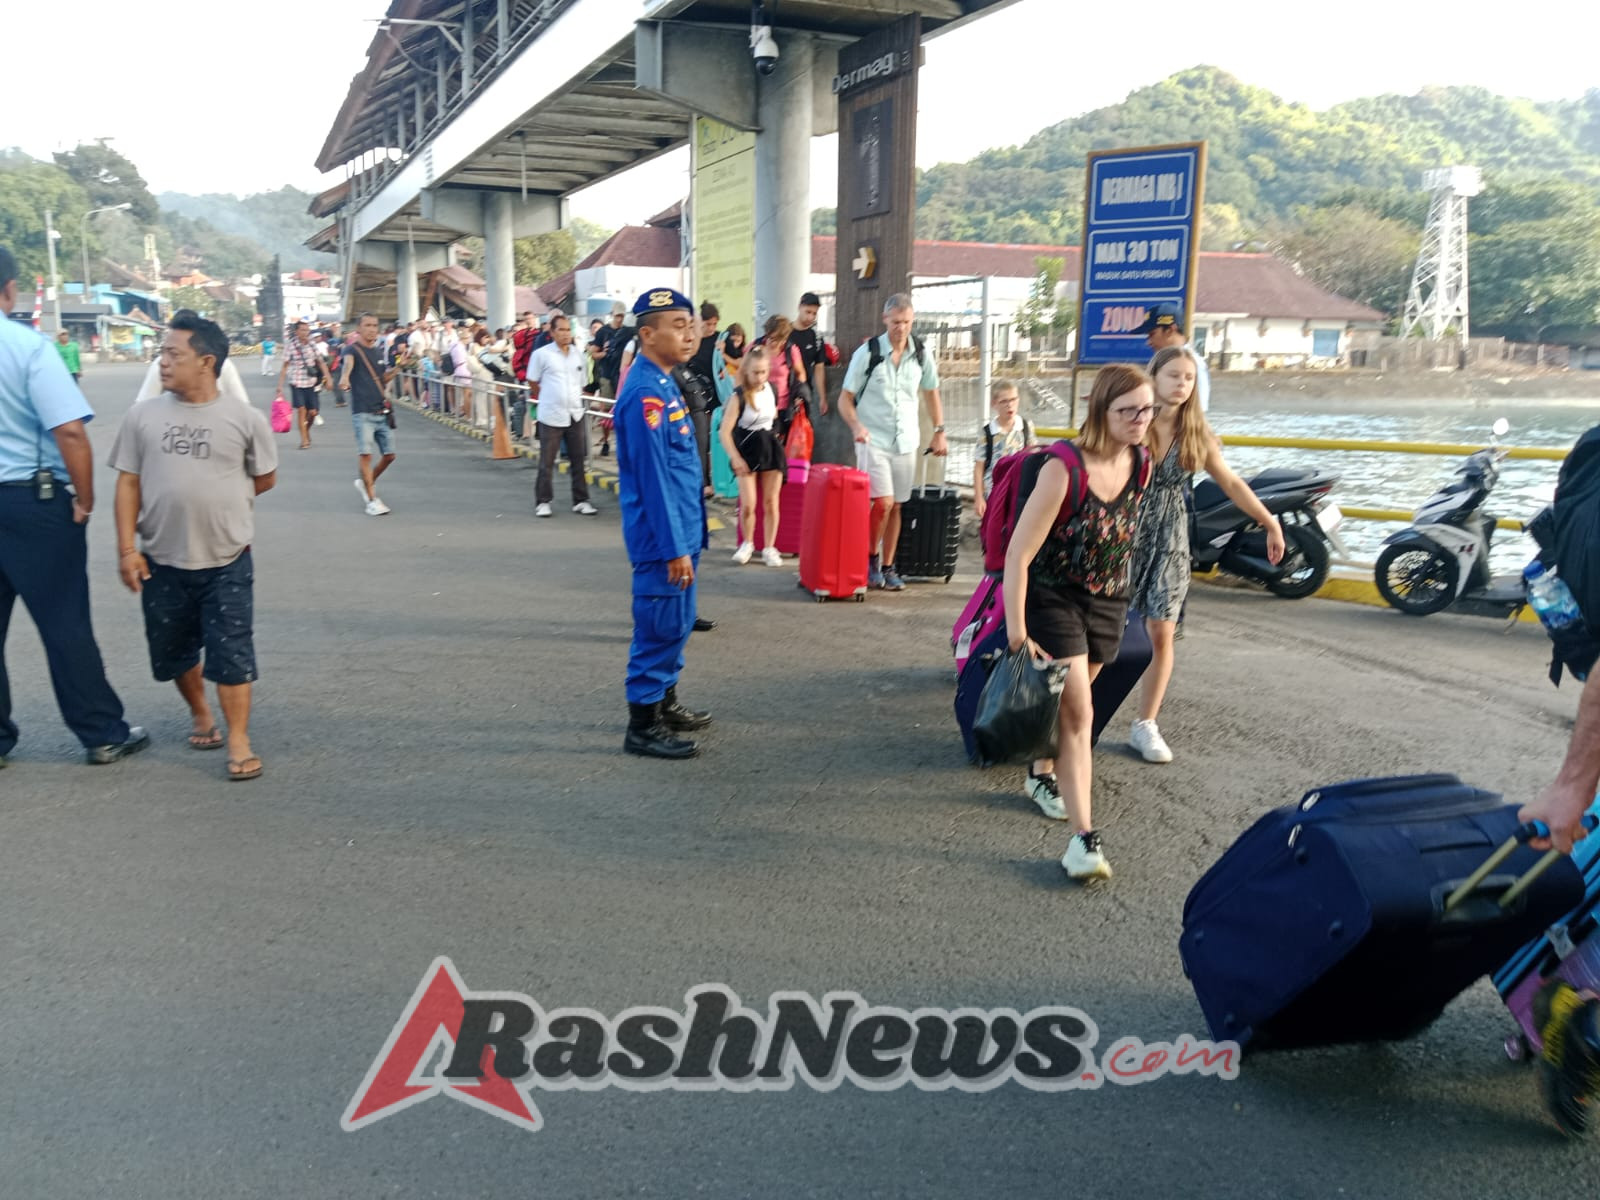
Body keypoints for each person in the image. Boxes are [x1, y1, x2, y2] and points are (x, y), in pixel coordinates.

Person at [1001, 364, 1157, 881]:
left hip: (1110, 601)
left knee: (1069, 705)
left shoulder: (1142, 463)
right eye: (1127, 410)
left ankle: (1039, 770)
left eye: (1147, 409)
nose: (1140, 419)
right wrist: (1017, 633)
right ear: (1101, 410)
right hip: (1055, 600)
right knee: (1079, 714)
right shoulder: (1062, 468)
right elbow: (1018, 556)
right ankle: (1084, 841)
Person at [110, 312, 277, 782]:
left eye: (173, 354)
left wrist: (222, 504)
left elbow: (264, 478)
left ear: (206, 362)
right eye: (161, 353)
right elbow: (127, 485)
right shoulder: (142, 416)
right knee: (174, 650)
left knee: (232, 651)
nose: (163, 363)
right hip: (161, 559)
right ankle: (200, 712)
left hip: (227, 558)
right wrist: (127, 549)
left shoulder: (245, 419)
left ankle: (239, 738)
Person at [0, 245, 148, 769]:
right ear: (10, 289)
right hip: (32, 503)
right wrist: (83, 500)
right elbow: (69, 432)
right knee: (64, 621)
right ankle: (101, 732)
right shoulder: (29, 348)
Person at [1125, 346, 1285, 764]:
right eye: (1174, 375)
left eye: (1189, 378)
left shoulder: (1196, 432)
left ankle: (1145, 723)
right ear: (1154, 377)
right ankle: (1079, 711)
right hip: (1123, 532)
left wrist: (1270, 521)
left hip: (1171, 536)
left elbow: (1231, 482)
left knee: (1161, 630)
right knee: (1110, 627)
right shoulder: (1132, 422)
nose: (1181, 384)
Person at [614, 288, 711, 760]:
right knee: (658, 625)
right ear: (648, 334)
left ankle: (665, 701)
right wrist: (675, 547)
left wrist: (695, 536)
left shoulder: (667, 380)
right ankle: (642, 726)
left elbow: (682, 470)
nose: (688, 332)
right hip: (662, 541)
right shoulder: (644, 393)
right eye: (677, 324)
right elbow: (653, 481)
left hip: (683, 533)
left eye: (690, 323)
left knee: (677, 624)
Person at [838, 293, 948, 592]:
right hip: (872, 438)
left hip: (906, 440)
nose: (901, 328)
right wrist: (857, 425)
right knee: (882, 503)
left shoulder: (921, 352)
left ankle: (889, 566)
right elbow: (845, 399)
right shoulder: (869, 352)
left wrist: (939, 430)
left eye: (907, 322)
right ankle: (870, 558)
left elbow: (931, 392)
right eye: (896, 321)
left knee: (898, 505)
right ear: (885, 319)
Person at [720, 345, 787, 567]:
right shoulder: (738, 396)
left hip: (769, 447)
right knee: (748, 504)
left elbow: (774, 418)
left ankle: (770, 547)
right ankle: (747, 543)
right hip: (746, 449)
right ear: (746, 372)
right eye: (756, 372)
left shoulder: (772, 390)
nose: (760, 377)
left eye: (764, 372)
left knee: (771, 502)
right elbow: (725, 431)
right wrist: (735, 457)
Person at [527, 315, 597, 519]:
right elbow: (532, 381)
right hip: (551, 414)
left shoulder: (578, 355)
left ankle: (581, 500)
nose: (566, 334)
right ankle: (543, 501)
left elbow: (581, 382)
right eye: (562, 330)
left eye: (569, 330)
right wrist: (547, 397)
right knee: (547, 461)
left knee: (578, 459)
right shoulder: (542, 354)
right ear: (552, 333)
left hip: (575, 413)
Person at [338, 313, 398, 517]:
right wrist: (345, 378)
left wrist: (400, 366)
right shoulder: (351, 350)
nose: (372, 329)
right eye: (367, 325)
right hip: (362, 412)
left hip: (382, 410)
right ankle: (372, 500)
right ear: (359, 329)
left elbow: (382, 378)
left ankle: (366, 481)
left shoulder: (379, 352)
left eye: (375, 325)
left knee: (389, 456)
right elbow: (348, 366)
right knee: (366, 454)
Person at [972, 380, 1034, 519]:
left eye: (1013, 400)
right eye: (1004, 401)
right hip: (993, 493)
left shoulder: (1025, 427)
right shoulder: (987, 432)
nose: (1009, 405)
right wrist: (979, 497)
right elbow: (979, 467)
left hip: (1019, 492)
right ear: (994, 404)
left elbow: (1033, 458)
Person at [1138, 302, 1210, 414]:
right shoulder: (1161, 361)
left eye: (1152, 334)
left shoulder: (1194, 364)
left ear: (1170, 330)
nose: (1148, 342)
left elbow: (1198, 411)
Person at [277, 318, 334, 450]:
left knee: (313, 412)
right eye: (302, 330)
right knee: (301, 410)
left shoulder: (312, 344)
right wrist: (280, 386)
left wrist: (328, 378)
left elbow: (320, 362)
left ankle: (306, 430)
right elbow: (285, 366)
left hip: (311, 382)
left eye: (307, 330)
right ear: (296, 331)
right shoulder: (290, 345)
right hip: (296, 382)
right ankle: (304, 440)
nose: (305, 332)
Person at [685, 302, 721, 497]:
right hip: (697, 397)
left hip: (716, 395)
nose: (710, 329)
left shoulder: (719, 340)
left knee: (715, 440)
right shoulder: (693, 344)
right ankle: (704, 481)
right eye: (707, 324)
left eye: (714, 324)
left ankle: (716, 480)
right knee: (702, 440)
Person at [754, 314, 807, 439]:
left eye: (778, 339)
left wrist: (799, 394)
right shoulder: (755, 348)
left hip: (783, 406)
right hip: (759, 405)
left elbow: (801, 373)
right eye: (770, 338)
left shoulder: (791, 350)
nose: (773, 343)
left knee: (779, 445)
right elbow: (742, 371)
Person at [788, 292, 829, 414]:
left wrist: (822, 397)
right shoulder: (784, 332)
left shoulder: (816, 338)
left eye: (814, 313)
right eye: (808, 312)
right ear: (799, 307)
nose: (810, 317)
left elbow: (819, 368)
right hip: (783, 394)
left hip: (804, 394)